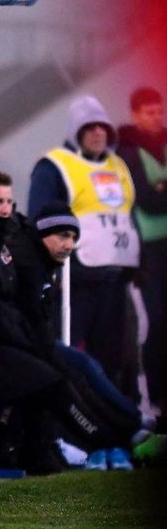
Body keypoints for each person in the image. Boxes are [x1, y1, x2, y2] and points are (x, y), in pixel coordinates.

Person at [0, 169, 163, 472]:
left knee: (72, 370)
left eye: (9, 201)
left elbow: (5, 306)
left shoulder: (0, 241)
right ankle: (117, 442)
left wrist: (29, 337)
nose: (6, 208)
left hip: (6, 338)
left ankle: (116, 435)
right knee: (57, 379)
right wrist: (28, 338)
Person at [28, 95, 140, 394]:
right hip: (74, 279)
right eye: (89, 127)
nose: (97, 132)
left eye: (103, 126)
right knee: (66, 351)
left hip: (117, 278)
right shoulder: (54, 166)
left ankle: (112, 412)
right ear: (76, 131)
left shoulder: (118, 165)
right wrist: (48, 271)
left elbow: (128, 216)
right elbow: (39, 221)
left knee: (115, 356)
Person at [118, 87, 167, 421]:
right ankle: (159, 395)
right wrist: (157, 190)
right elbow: (145, 199)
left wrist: (159, 188)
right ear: (135, 114)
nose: (157, 118)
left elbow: (155, 193)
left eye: (160, 111)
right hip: (148, 250)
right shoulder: (127, 152)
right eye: (150, 112)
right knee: (157, 320)